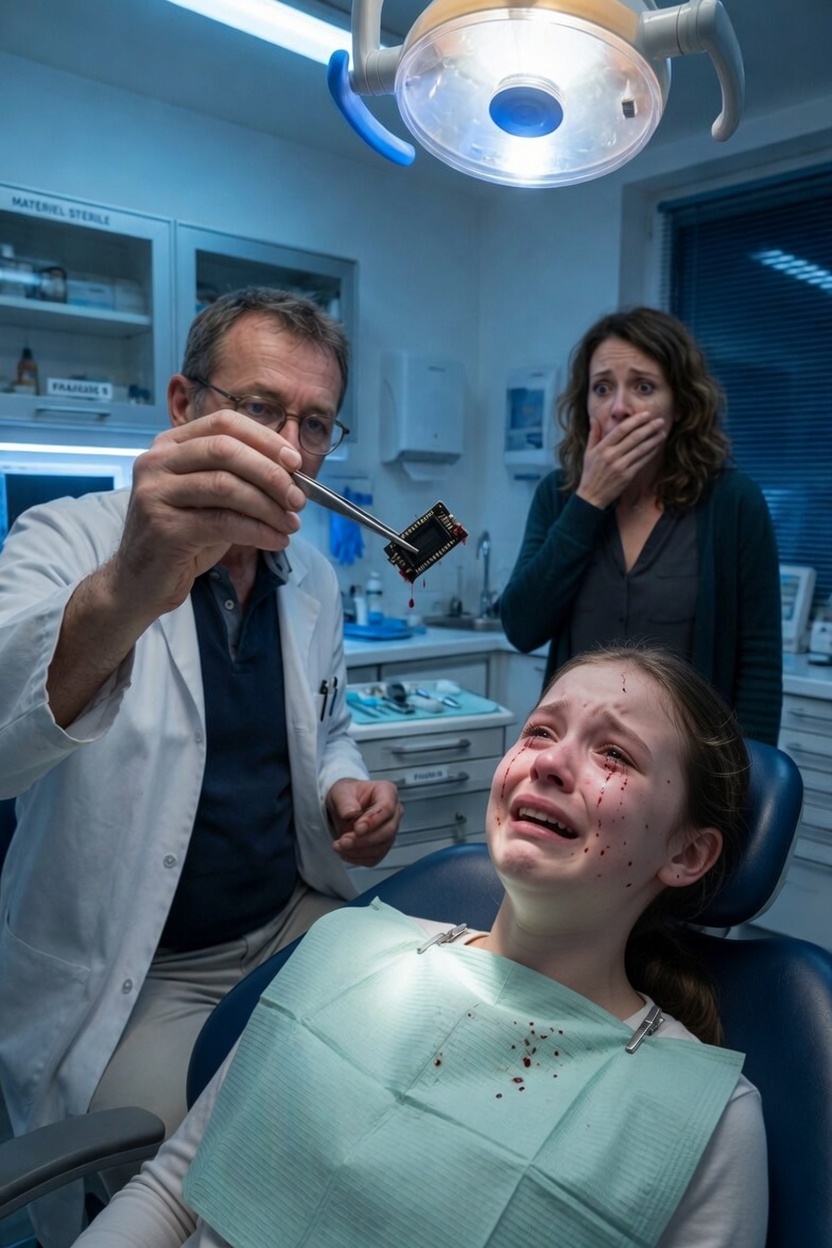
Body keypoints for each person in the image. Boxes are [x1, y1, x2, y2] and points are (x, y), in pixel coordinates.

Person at [73, 644, 768, 1248]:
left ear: (686, 853)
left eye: (613, 753)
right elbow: (172, 1193)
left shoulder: (703, 1123)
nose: (550, 761)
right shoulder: (347, 949)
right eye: (539, 731)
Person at [0, 288, 403, 1245]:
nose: (289, 450)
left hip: (291, 925)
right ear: (183, 406)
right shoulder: (67, 539)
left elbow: (329, 722)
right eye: (260, 410)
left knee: (391, 1104)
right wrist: (140, 576)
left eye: (313, 424)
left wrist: (347, 783)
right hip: (142, 976)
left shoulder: (312, 579)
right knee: (241, 1181)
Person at [500, 306, 782, 746]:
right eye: (602, 388)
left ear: (680, 405)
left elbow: (760, 663)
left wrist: (745, 788)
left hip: (688, 767)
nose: (618, 408)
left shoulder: (732, 501)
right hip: (573, 755)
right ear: (584, 403)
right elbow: (521, 626)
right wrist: (589, 500)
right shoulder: (559, 496)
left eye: (643, 387)